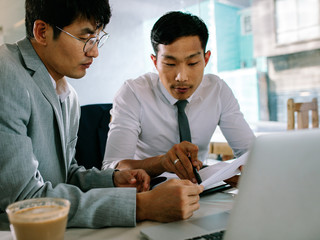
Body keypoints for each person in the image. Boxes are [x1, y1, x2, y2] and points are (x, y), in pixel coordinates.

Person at [0, 1, 203, 228]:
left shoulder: (68, 95)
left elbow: (65, 175)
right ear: (42, 32)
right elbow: (26, 201)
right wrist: (142, 206)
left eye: (97, 39)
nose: (94, 52)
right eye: (84, 38)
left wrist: (114, 180)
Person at [102, 11, 255, 182]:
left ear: (206, 59)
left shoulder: (217, 90)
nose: (181, 77)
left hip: (201, 189)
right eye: (170, 64)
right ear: (155, 62)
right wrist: (162, 163)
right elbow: (111, 168)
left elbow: (250, 153)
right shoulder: (133, 92)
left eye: (192, 63)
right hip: (148, 191)